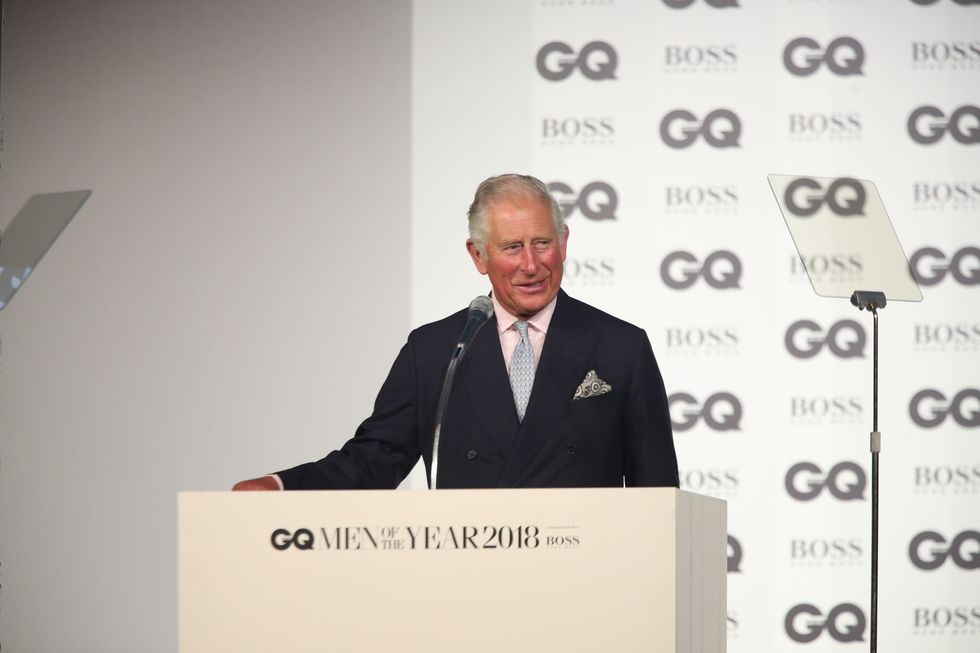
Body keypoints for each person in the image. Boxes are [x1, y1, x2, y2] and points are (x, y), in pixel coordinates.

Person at [233, 174, 677, 491]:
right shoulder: (435, 351)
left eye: (542, 243)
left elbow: (658, 494)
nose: (531, 264)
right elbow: (373, 462)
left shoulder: (620, 346)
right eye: (511, 248)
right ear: (478, 255)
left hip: (588, 587)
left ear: (563, 243)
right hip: (470, 584)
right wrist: (280, 486)